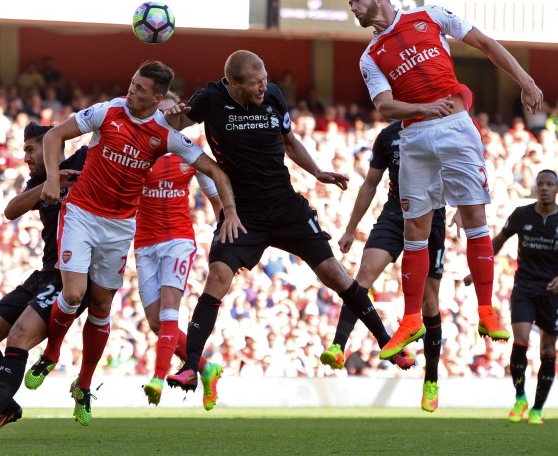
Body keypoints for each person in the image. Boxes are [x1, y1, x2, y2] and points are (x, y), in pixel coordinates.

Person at [164, 50, 404, 399]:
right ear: (232, 83)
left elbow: (290, 141)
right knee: (217, 276)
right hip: (243, 213)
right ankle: (190, 366)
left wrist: (318, 172)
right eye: (255, 82)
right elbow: (173, 126)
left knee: (335, 275)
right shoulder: (210, 100)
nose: (264, 86)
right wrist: (169, 113)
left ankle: (387, 341)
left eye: (264, 78)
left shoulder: (273, 95)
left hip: (284, 205)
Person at [22, 60, 243, 427]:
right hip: (81, 214)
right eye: (132, 83)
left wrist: (230, 212)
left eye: (140, 89)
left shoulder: (166, 137)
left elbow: (216, 171)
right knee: (74, 293)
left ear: (157, 98)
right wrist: (48, 181)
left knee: (102, 307)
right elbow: (53, 136)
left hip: (121, 228)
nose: (131, 91)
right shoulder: (107, 112)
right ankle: (52, 353)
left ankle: (85, 385)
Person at [346, 0, 544, 359]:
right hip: (415, 137)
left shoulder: (431, 15)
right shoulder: (369, 56)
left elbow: (485, 44)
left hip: (455, 127)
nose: (353, 7)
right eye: (350, 3)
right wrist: (421, 109)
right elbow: (385, 106)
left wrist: (525, 79)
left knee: (474, 219)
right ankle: (409, 320)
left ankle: (486, 311)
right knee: (414, 230)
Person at [0, 123, 88, 442]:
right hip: (44, 274)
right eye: (25, 149)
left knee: (18, 337)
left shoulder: (83, 161)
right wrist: (53, 182)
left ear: (51, 146)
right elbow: (10, 210)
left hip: (72, 276)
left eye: (32, 149)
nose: (25, 156)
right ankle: (8, 407)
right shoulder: (38, 182)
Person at [323, 120, 447, 412]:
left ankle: (431, 380)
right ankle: (338, 346)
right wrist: (351, 229)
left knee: (429, 303)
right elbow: (369, 184)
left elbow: (458, 173)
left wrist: (463, 212)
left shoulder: (440, 131)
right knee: (363, 276)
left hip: (433, 216)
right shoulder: (388, 135)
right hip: (395, 214)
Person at [137, 93, 224, 410]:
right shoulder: (138, 147)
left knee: (169, 309)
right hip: (144, 243)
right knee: (156, 323)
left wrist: (224, 241)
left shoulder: (189, 151)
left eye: (166, 112)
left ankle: (158, 379)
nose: (159, 117)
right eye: (154, 112)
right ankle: (205, 368)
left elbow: (215, 199)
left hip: (178, 239)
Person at [483, 170, 558, 424]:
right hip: (524, 288)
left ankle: (537, 409)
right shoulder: (521, 215)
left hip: (552, 292)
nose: (544, 188)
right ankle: (520, 398)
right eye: (540, 183)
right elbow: (498, 241)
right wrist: (479, 267)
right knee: (521, 340)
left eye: (550, 184)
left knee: (548, 349)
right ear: (535, 188)